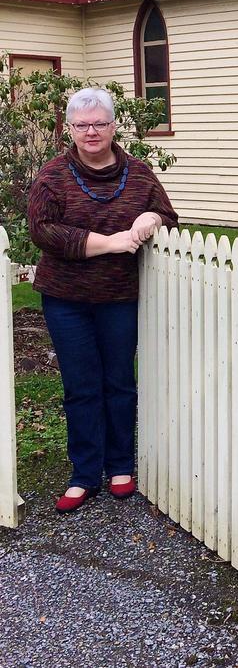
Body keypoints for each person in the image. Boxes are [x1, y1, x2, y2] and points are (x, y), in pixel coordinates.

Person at [28, 87, 178, 513]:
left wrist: (150, 217)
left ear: (114, 126)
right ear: (70, 130)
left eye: (99, 123)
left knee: (118, 382)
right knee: (80, 387)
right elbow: (44, 230)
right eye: (81, 125)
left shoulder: (141, 173)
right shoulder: (52, 176)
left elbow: (168, 216)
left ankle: (119, 467)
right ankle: (83, 473)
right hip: (66, 299)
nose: (91, 132)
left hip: (118, 297)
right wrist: (109, 243)